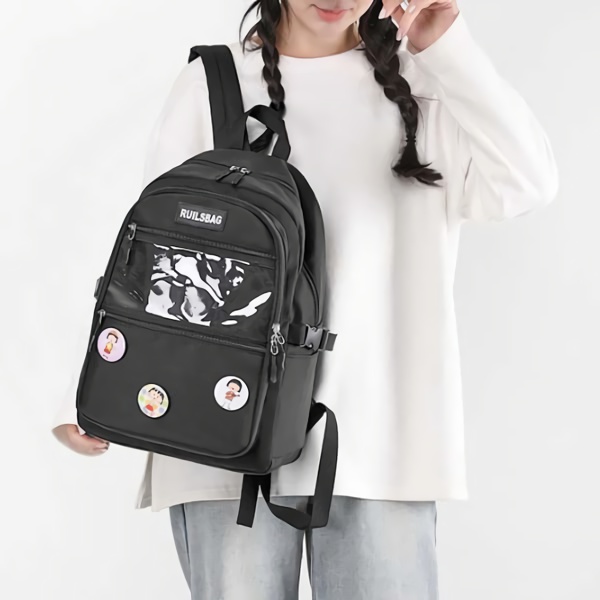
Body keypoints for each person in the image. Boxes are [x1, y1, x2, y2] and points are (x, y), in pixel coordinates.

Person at [52, 1, 559, 598]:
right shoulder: (215, 82)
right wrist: (86, 387)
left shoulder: (426, 82)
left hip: (382, 444)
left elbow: (528, 184)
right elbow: (148, 251)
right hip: (219, 432)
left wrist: (446, 46)